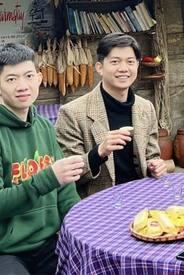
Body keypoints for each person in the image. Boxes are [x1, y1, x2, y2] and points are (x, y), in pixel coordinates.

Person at [0, 43, 83, 275]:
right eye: (12, 79)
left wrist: (82, 230)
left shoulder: (44, 127)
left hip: (46, 245)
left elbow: (65, 193)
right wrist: (45, 179)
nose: (22, 86)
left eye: (28, 76)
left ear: (39, 78)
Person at [55, 33, 167, 198]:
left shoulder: (146, 108)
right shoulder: (72, 113)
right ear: (99, 67)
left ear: (137, 65)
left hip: (142, 196)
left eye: (130, 62)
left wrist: (154, 166)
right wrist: (99, 152)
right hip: (99, 204)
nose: (123, 68)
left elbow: (151, 156)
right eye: (115, 62)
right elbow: (69, 176)